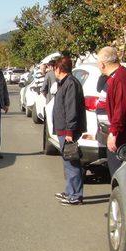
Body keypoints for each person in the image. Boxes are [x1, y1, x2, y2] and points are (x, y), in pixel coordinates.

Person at [97, 46, 126, 176]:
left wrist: (114, 132)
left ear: (102, 64)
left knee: (121, 175)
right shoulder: (116, 76)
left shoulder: (121, 78)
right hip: (118, 136)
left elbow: (122, 108)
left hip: (124, 139)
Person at [51, 56, 87, 206]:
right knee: (68, 162)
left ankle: (75, 195)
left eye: (55, 68)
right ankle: (70, 191)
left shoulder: (70, 83)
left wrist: (69, 131)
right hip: (63, 129)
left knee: (72, 162)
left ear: (59, 68)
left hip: (68, 130)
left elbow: (71, 109)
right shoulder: (65, 83)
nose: (54, 71)